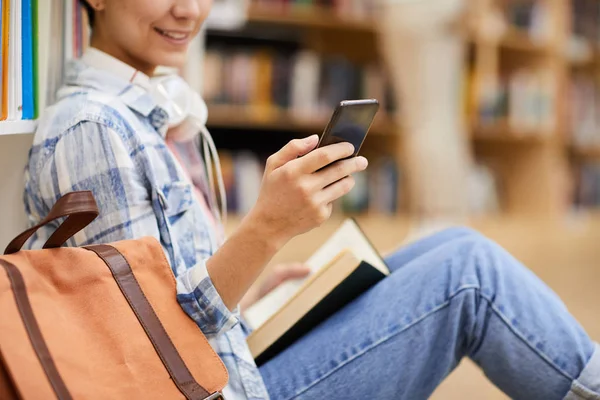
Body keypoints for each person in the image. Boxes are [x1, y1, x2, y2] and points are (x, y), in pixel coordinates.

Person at [23, 1, 599, 399]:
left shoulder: (151, 109)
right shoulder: (93, 129)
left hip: (235, 358)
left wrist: (250, 295)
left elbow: (167, 294)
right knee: (469, 276)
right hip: (224, 390)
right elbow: (150, 352)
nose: (188, 12)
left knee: (453, 243)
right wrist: (266, 229)